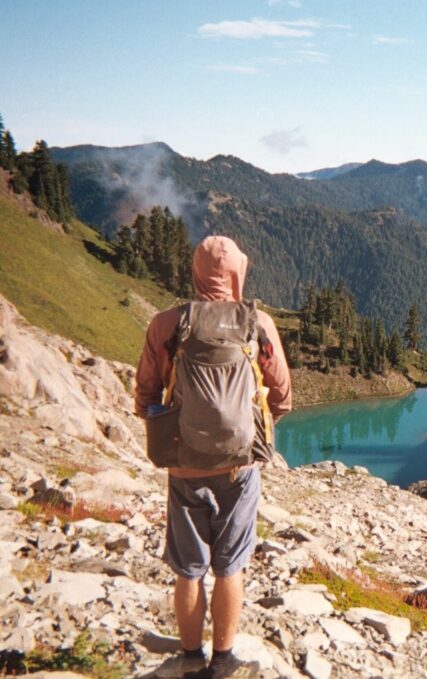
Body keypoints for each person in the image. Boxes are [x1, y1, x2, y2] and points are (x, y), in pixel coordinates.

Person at [135, 236, 291, 678]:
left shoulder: (167, 323)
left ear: (196, 273)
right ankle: (223, 661)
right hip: (239, 467)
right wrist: (250, 426)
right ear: (237, 273)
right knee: (230, 566)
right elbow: (281, 396)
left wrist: (171, 425)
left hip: (184, 465)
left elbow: (145, 392)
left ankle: (189, 660)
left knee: (188, 569)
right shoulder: (258, 322)